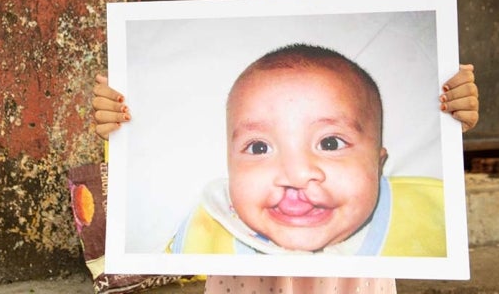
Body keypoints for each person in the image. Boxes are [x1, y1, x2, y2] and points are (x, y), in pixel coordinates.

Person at [92, 0, 479, 294]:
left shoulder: (411, 204)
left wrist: (453, 112)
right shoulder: (211, 217)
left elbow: (434, 171)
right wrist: (120, 121)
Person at [169, 43, 446, 258]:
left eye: (330, 143)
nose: (296, 174)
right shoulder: (205, 232)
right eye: (259, 147)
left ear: (378, 163)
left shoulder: (433, 216)